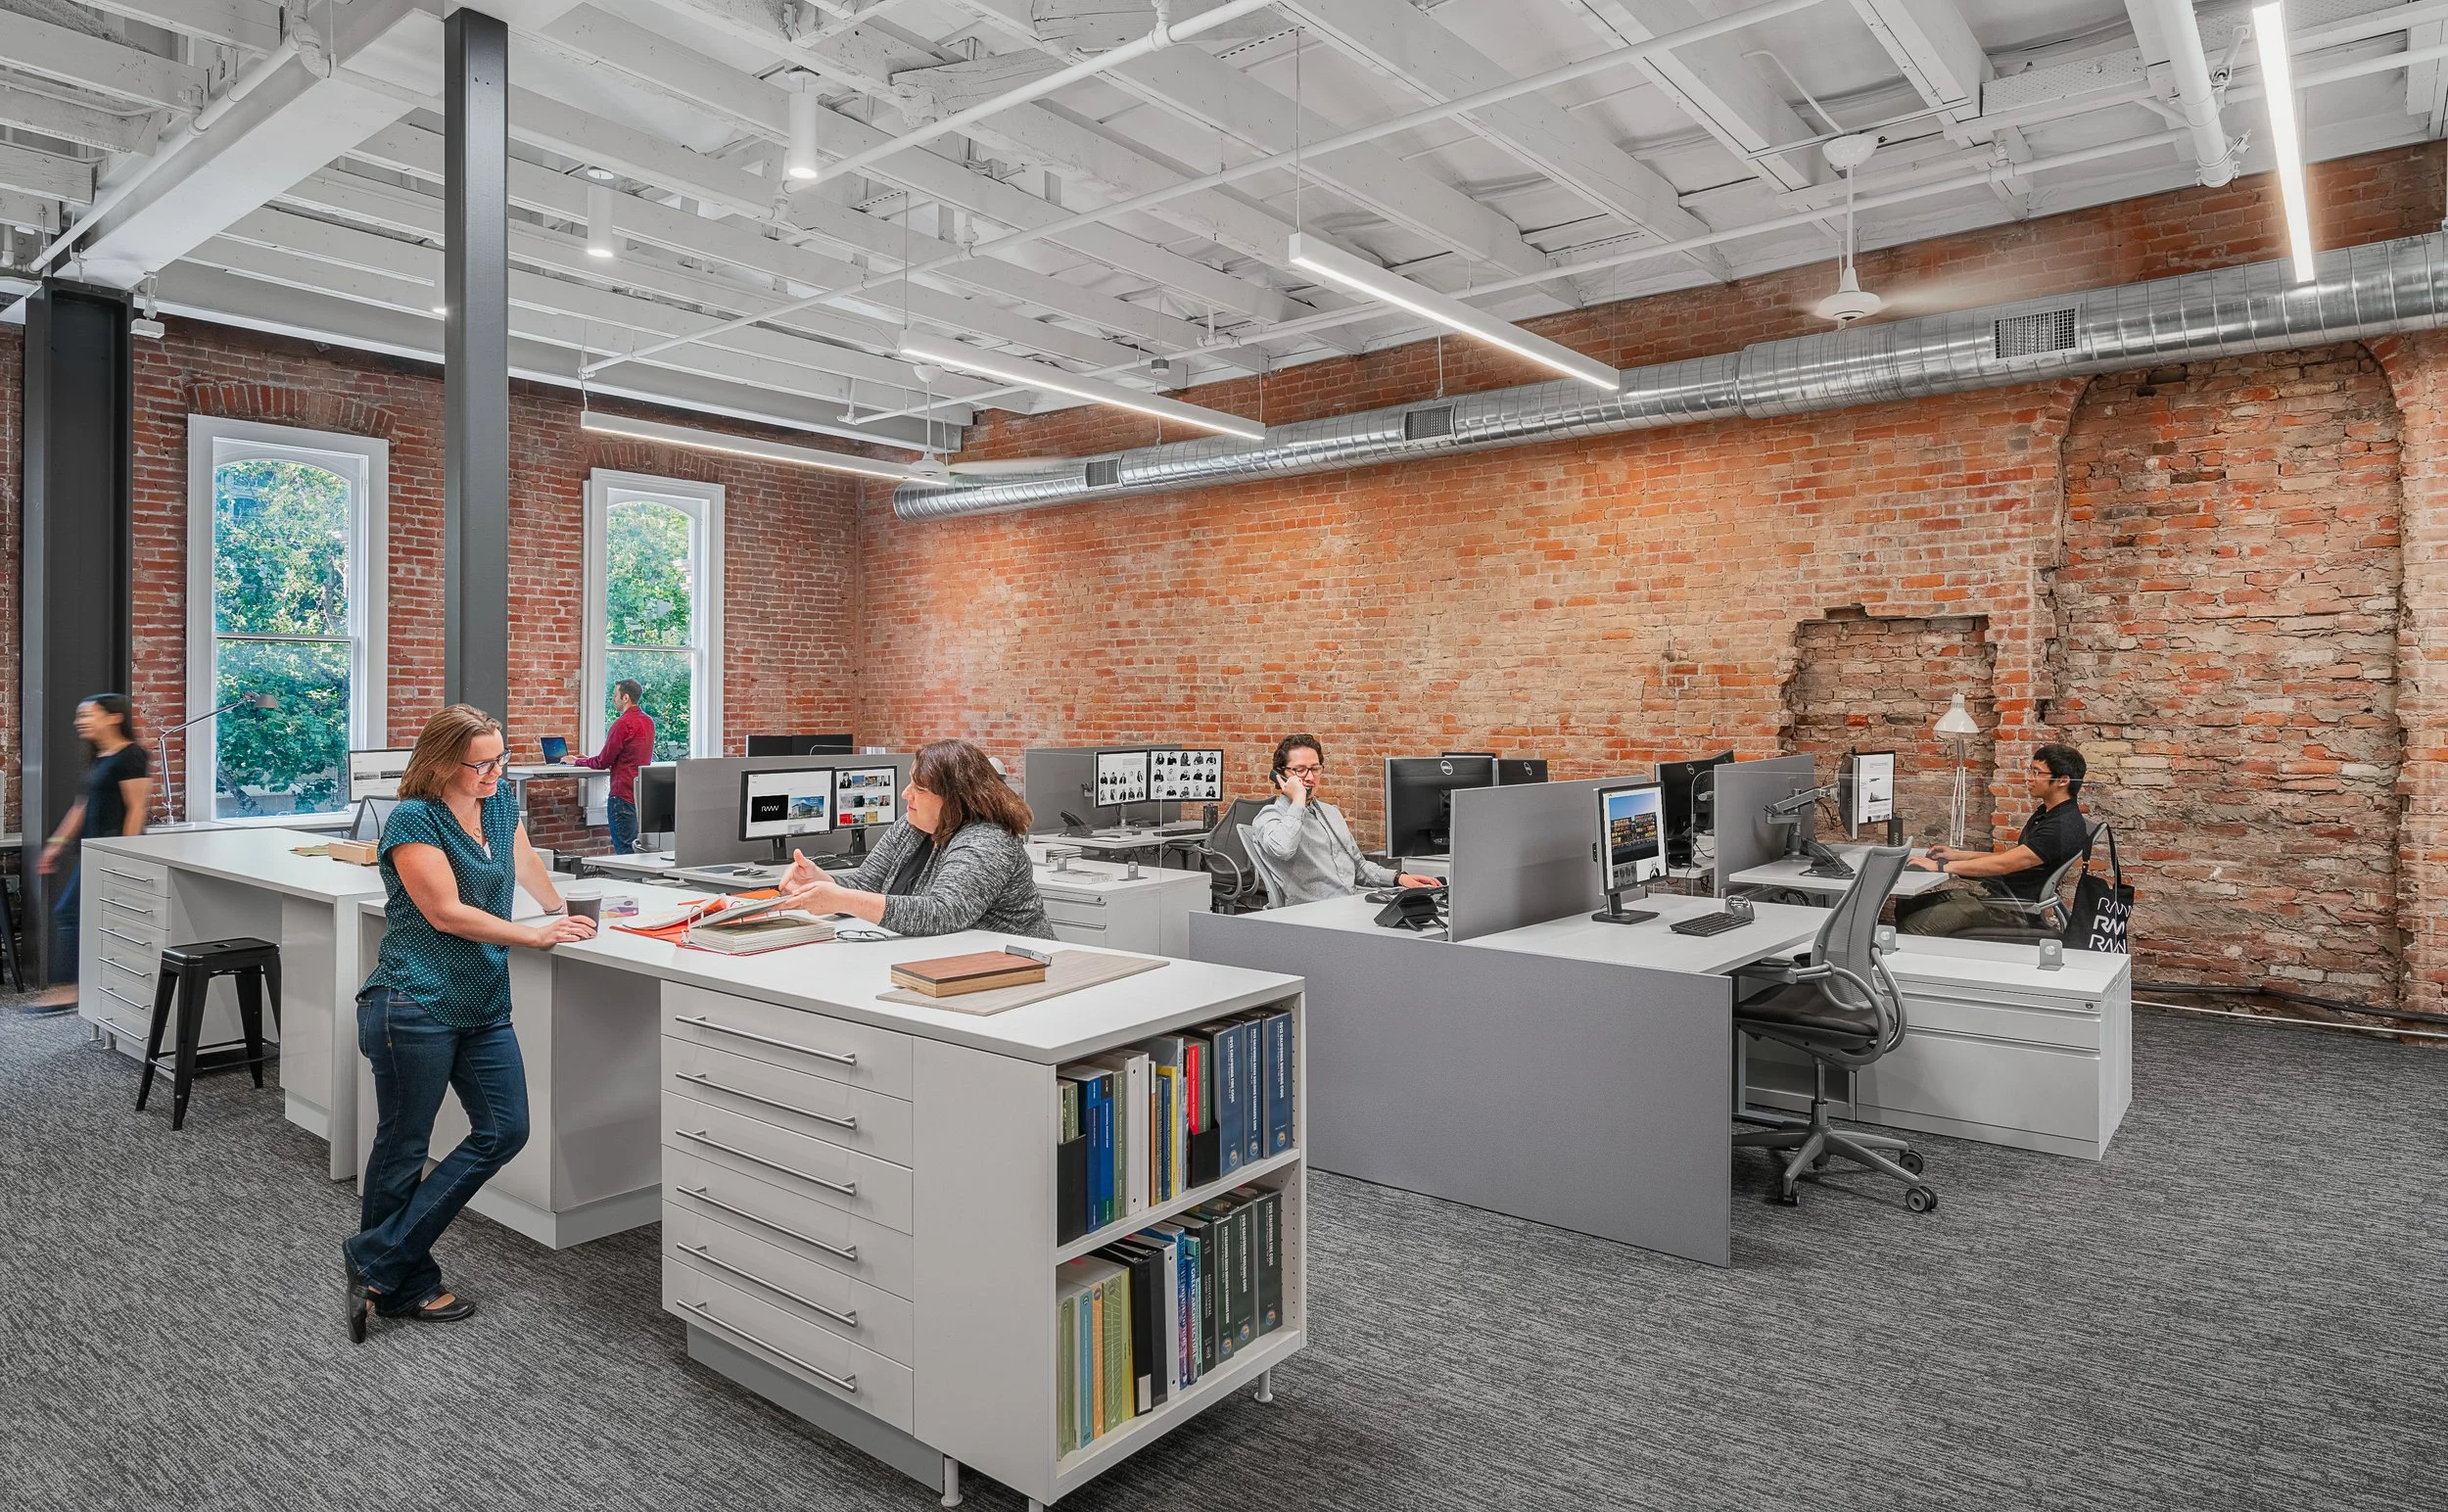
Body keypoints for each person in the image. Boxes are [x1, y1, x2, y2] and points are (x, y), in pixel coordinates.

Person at [345, 704, 593, 1340]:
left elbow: (526, 862)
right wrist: (528, 937)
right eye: (479, 763)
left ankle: (375, 1257)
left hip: (481, 1003)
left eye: (499, 759)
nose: (493, 771)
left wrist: (563, 911)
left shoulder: (501, 805)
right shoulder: (413, 820)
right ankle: (407, 1281)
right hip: (413, 1001)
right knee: (403, 1147)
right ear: (439, 763)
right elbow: (446, 913)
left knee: (505, 1130)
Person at [776, 738, 1053, 938]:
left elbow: (945, 912)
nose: (905, 794)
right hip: (942, 959)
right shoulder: (913, 825)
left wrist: (842, 900)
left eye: (919, 788)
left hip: (1012, 965)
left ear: (956, 800)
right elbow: (866, 885)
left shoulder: (987, 838)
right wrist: (822, 881)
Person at [31, 694, 152, 1012]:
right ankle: (82, 986)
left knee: (69, 913)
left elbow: (137, 808)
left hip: (113, 851)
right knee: (82, 915)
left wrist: (125, 854)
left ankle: (70, 988)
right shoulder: (100, 757)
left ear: (113, 717)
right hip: (93, 849)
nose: (79, 722)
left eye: (88, 715)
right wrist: (54, 847)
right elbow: (81, 807)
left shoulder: (131, 756)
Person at [1898, 743, 2093, 937]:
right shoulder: (2049, 813)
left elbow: (2005, 864)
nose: (2029, 777)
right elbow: (2014, 856)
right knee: (1907, 905)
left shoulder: (2061, 826)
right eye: (2030, 770)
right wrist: (1958, 856)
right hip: (1996, 897)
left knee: (1913, 926)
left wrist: (1941, 867)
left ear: (2063, 780)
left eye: (2037, 773)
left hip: (2010, 909)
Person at [1246, 734, 1439, 907]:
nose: (1310, 777)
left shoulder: (1331, 813)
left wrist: (1399, 878)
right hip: (1311, 916)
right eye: (1300, 770)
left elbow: (1358, 867)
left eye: (1315, 768)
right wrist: (1298, 801)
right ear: (1280, 774)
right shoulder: (1269, 817)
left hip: (1349, 906)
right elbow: (1283, 849)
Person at [572, 678, 656, 855]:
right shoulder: (648, 722)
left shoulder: (623, 724)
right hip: (640, 795)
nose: (613, 699)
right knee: (637, 849)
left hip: (622, 794)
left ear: (625, 697)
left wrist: (576, 761)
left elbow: (603, 761)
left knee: (625, 852)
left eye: (615, 695)